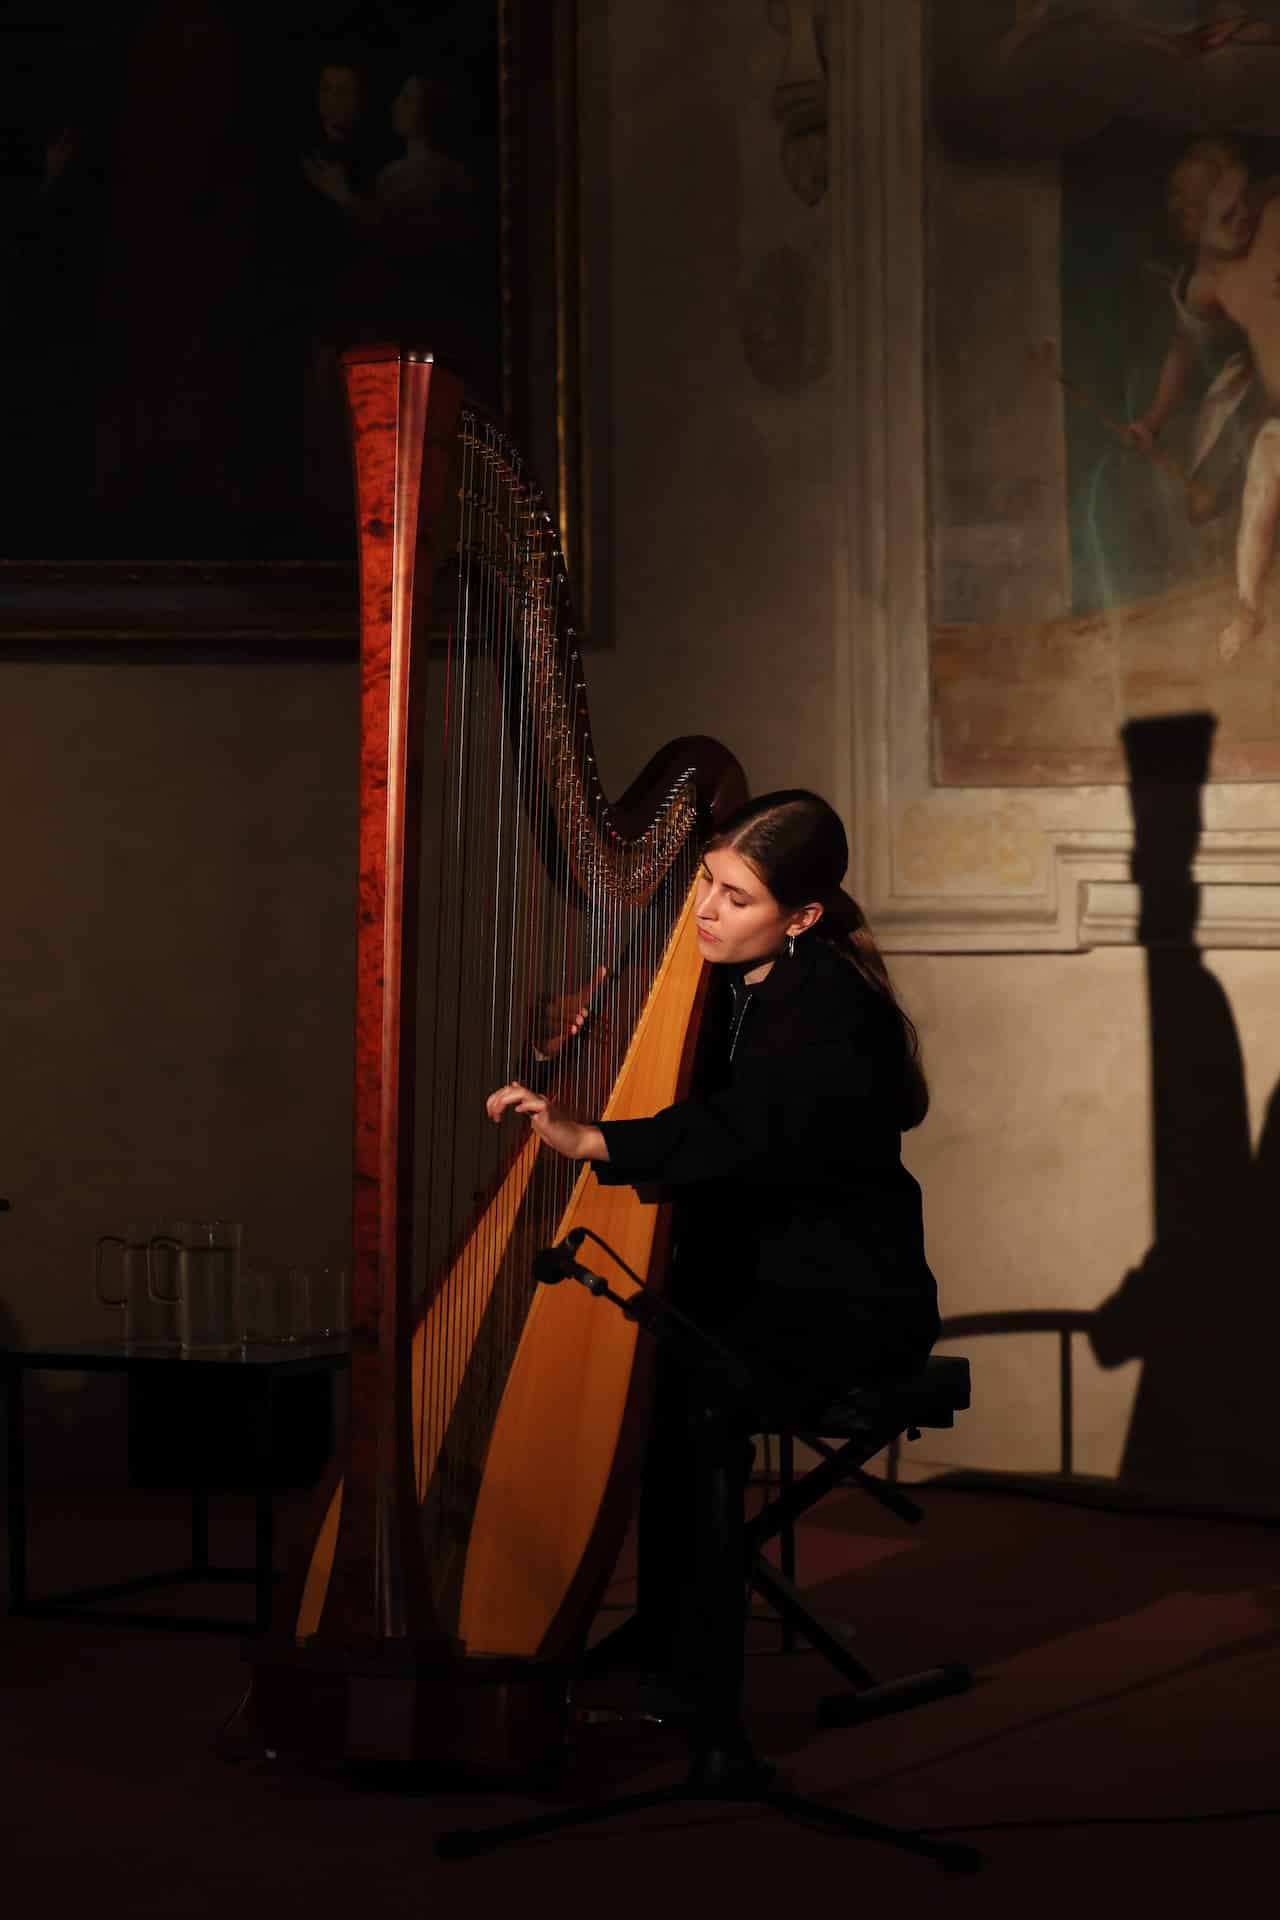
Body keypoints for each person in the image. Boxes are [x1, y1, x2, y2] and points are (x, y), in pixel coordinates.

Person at [485, 789, 940, 1694]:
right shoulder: (724, 979)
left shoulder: (832, 1008)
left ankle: (695, 1665)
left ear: (801, 918)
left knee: (681, 1382)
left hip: (837, 1297)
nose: (705, 910)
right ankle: (670, 1630)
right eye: (704, 882)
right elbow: (677, 1089)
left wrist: (593, 1139)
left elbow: (744, 1131)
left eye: (737, 897)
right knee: (650, 1360)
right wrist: (571, 1028)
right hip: (743, 1275)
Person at [1128, 137, 1280, 662]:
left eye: (1244, 202)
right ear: (1193, 226)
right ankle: (1249, 609)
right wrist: (1153, 420)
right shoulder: (1207, 285)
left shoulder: (1274, 220)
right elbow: (1183, 355)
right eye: (1226, 215)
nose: (1243, 219)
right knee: (1264, 473)